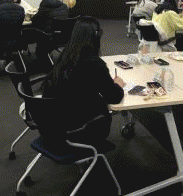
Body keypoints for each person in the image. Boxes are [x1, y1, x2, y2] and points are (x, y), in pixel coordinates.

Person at [39, 17, 124, 145]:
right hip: (82, 130)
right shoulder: (95, 64)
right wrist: (117, 85)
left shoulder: (62, 58)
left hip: (53, 128)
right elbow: (114, 97)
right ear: (96, 37)